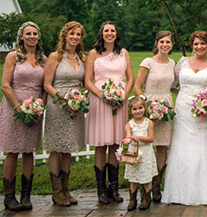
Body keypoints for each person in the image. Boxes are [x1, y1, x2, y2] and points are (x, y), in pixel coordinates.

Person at [162, 31, 207, 205]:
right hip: (183, 111)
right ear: (192, 46)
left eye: (202, 44)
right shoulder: (182, 62)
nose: (199, 47)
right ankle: (178, 192)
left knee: (204, 147)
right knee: (182, 146)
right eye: (196, 44)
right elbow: (172, 83)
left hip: (204, 113)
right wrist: (184, 94)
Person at [85, 21, 134, 204]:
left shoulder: (124, 53)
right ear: (102, 33)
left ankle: (113, 188)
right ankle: (101, 190)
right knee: (101, 144)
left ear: (116, 33)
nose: (110, 33)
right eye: (106, 30)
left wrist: (123, 96)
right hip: (100, 101)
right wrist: (103, 96)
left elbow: (130, 78)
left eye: (112, 30)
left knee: (115, 144)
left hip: (120, 102)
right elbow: (88, 81)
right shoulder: (93, 54)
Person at [0, 21, 46, 211]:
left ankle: (26, 196)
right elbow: (5, 85)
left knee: (29, 151)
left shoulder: (42, 59)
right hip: (14, 108)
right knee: (12, 152)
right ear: (21, 37)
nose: (32, 37)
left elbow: (45, 87)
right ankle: (9, 197)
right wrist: (19, 108)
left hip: (35, 109)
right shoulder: (13, 57)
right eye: (28, 34)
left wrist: (39, 105)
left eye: (35, 34)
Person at [43, 21, 87, 206]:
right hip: (57, 105)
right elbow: (47, 84)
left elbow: (86, 84)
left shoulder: (82, 58)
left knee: (68, 147)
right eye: (72, 34)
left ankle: (66, 190)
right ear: (65, 35)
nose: (75, 37)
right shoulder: (55, 57)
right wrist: (63, 100)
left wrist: (79, 100)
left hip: (75, 108)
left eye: (78, 34)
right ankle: (57, 192)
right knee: (57, 147)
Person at [133, 31, 176, 202]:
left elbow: (173, 87)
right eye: (162, 42)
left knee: (162, 146)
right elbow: (137, 86)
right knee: (146, 146)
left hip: (166, 107)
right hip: (149, 105)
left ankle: (157, 185)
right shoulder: (148, 62)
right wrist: (146, 105)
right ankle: (145, 186)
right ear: (157, 43)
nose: (165, 45)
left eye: (168, 42)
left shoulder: (172, 63)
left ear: (172, 45)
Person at [123, 96, 157, 211]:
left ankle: (146, 198)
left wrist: (140, 138)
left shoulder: (149, 123)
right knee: (133, 177)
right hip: (134, 152)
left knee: (146, 176)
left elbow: (151, 138)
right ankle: (133, 199)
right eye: (135, 109)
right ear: (130, 111)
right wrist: (127, 140)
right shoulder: (129, 124)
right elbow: (128, 135)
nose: (138, 111)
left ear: (145, 108)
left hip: (146, 152)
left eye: (140, 108)